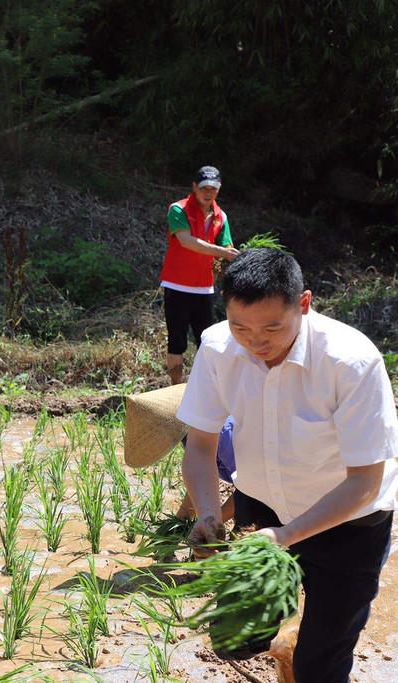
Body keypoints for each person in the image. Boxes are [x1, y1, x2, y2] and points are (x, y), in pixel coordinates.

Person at [178, 248, 397, 681]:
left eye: (272, 328)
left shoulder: (351, 362)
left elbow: (365, 484)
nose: (256, 342)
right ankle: (287, 642)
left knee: (322, 665)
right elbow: (200, 445)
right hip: (262, 508)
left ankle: (307, 647)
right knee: (236, 639)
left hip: (348, 523)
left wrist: (286, 536)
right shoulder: (219, 346)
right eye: (241, 327)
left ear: (304, 304)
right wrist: (207, 514)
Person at [158, 166, 239, 385]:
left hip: (204, 287)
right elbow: (186, 241)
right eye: (204, 187)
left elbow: (226, 246)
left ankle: (204, 390)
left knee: (207, 341)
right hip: (177, 285)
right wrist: (223, 252)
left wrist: (232, 256)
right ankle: (174, 391)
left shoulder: (221, 216)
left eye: (213, 188)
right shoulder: (178, 209)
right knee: (176, 342)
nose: (208, 192)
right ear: (194, 187)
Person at [123, 384, 235, 522]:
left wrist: (211, 524)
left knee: (246, 520)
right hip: (254, 492)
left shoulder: (223, 434)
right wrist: (179, 521)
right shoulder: (190, 436)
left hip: (263, 493)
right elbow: (201, 479)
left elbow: (248, 492)